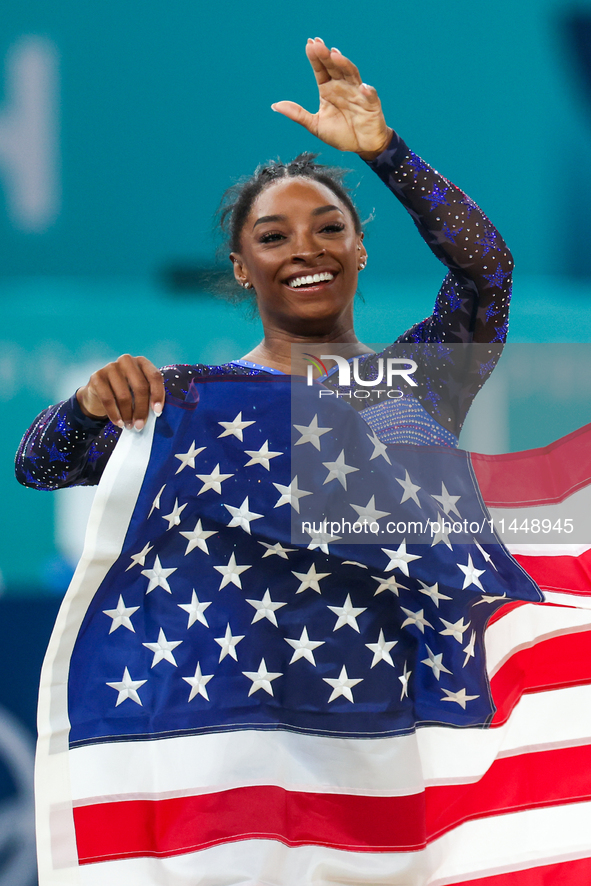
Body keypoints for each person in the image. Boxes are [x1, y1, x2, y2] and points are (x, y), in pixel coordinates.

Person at [19, 38, 537, 885]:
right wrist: (84, 405)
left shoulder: (412, 388)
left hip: (394, 755)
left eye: (329, 226)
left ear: (360, 250)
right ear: (240, 266)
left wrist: (387, 155)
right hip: (244, 762)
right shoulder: (182, 403)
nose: (306, 247)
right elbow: (42, 465)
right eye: (274, 234)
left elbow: (485, 275)